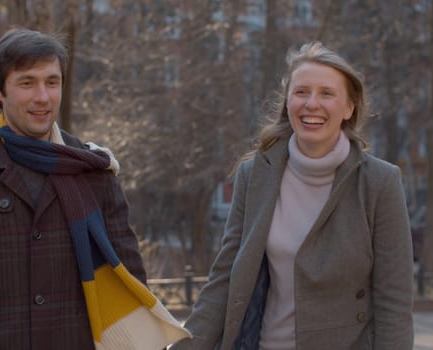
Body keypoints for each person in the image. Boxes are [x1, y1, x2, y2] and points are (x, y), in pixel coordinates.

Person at [0, 28, 189, 350]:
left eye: (52, 82)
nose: (42, 97)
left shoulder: (93, 171)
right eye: (27, 83)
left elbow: (130, 285)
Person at [172, 42, 414, 350]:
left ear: (349, 108)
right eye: (301, 92)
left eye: (326, 93)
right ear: (287, 102)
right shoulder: (255, 174)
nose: (312, 104)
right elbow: (225, 279)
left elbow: (394, 302)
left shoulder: (380, 182)